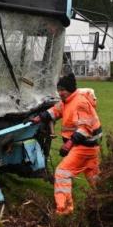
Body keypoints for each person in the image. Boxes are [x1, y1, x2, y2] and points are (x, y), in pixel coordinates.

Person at [33, 74, 102, 215]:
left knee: (62, 173)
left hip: (84, 147)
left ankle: (64, 209)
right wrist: (39, 118)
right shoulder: (67, 101)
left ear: (70, 89)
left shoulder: (80, 103)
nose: (60, 93)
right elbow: (55, 110)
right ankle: (106, 201)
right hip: (91, 148)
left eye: (63, 90)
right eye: (58, 89)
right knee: (95, 179)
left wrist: (69, 144)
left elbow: (85, 128)